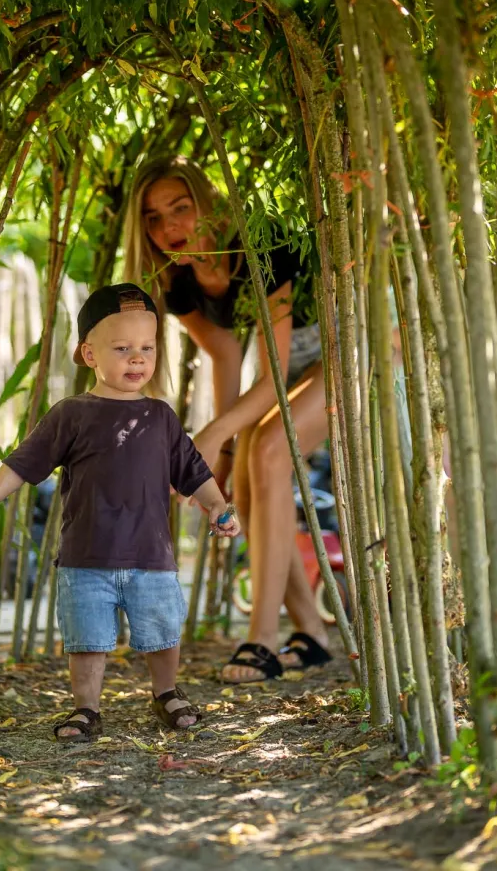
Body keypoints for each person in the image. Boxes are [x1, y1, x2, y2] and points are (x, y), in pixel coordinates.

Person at [0, 282, 241, 741]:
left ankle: (166, 692)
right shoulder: (71, 414)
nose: (137, 358)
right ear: (89, 354)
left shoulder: (160, 416)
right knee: (87, 641)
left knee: (163, 633)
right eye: (122, 348)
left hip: (150, 556)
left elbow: (192, 470)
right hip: (86, 556)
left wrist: (216, 505)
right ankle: (86, 708)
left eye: (147, 348)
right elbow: (25, 460)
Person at [124, 156, 333, 684]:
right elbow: (224, 357)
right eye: (154, 218)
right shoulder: (180, 281)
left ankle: (261, 639)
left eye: (181, 208)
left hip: (346, 354)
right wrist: (218, 455)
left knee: (266, 452)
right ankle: (311, 632)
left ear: (208, 203)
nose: (170, 227)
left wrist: (214, 435)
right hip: (287, 373)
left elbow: (274, 372)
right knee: (244, 475)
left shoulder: (262, 246)